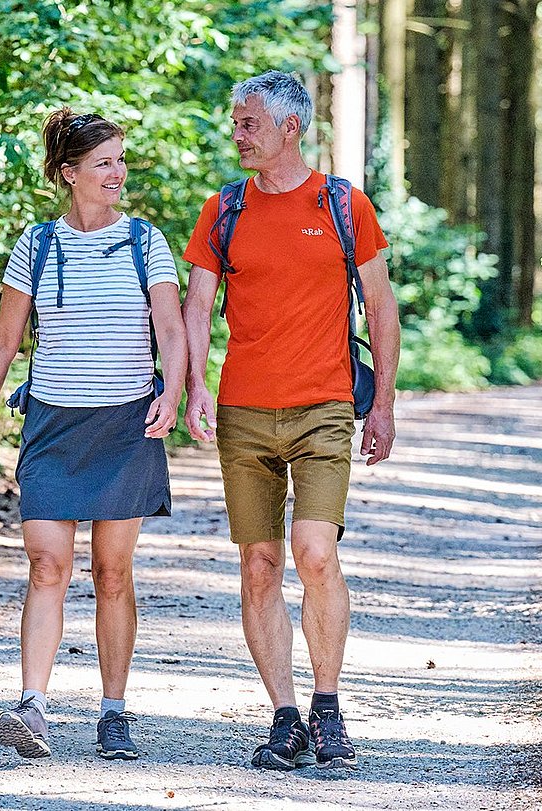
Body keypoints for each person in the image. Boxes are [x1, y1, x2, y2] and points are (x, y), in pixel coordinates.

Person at [180, 71, 399, 771]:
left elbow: (381, 305)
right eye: (238, 122)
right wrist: (193, 386)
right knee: (258, 564)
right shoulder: (222, 209)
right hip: (244, 410)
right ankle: (284, 716)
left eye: (249, 123)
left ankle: (328, 706)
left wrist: (385, 401)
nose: (238, 134)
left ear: (290, 127)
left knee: (315, 551)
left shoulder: (342, 204)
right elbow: (194, 307)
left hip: (326, 406)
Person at [0, 107, 186, 761]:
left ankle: (113, 712)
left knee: (113, 573)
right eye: (104, 163)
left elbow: (171, 329)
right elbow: (5, 338)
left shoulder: (147, 241)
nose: (118, 172)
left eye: (120, 159)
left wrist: (172, 390)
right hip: (53, 424)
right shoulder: (36, 244)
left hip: (125, 423)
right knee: (47, 564)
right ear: (69, 173)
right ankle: (32, 704)